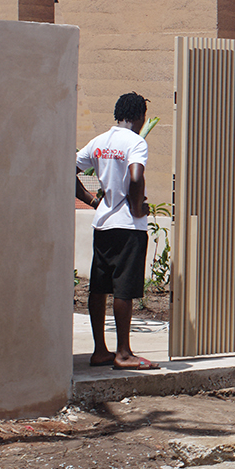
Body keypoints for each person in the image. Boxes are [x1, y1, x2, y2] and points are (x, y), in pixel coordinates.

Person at [76, 92, 160, 371]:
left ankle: (100, 350)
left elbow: (69, 168)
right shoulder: (135, 142)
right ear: (139, 117)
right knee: (124, 289)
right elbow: (136, 177)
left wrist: (91, 200)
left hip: (103, 224)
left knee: (99, 288)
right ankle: (124, 353)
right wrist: (138, 208)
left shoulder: (99, 141)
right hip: (127, 226)